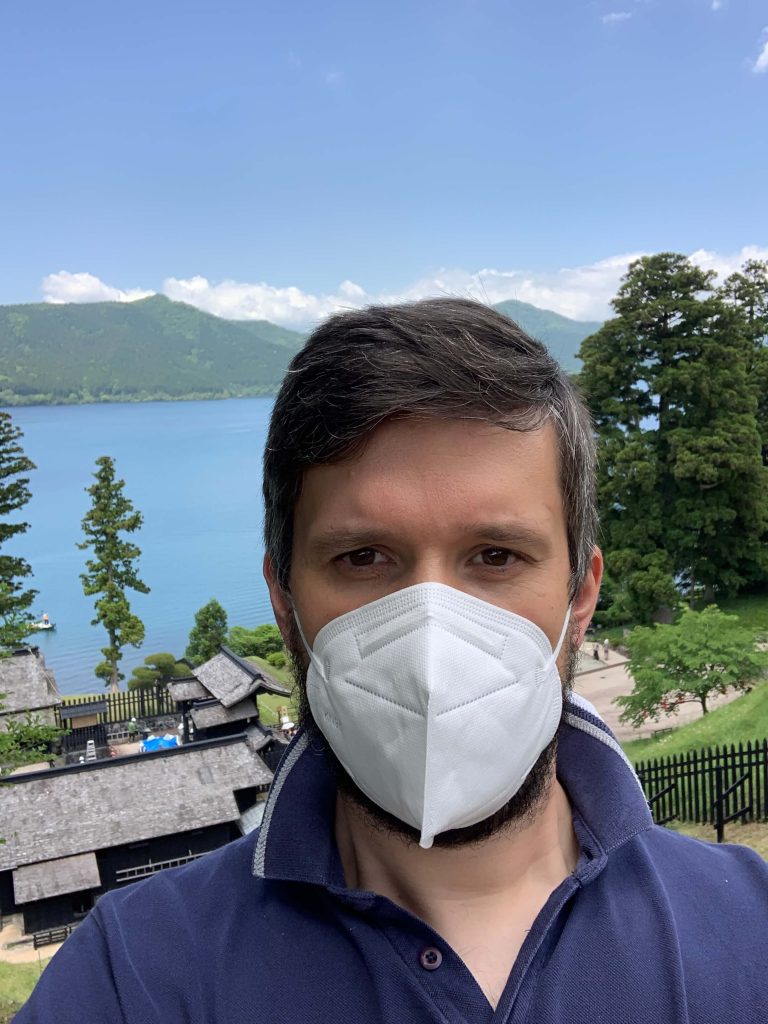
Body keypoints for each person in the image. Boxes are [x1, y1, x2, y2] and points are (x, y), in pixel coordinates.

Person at [17, 299, 768, 1023]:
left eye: (496, 556)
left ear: (580, 597)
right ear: (285, 601)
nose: (430, 647)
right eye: (364, 557)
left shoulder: (750, 937)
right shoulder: (134, 979)